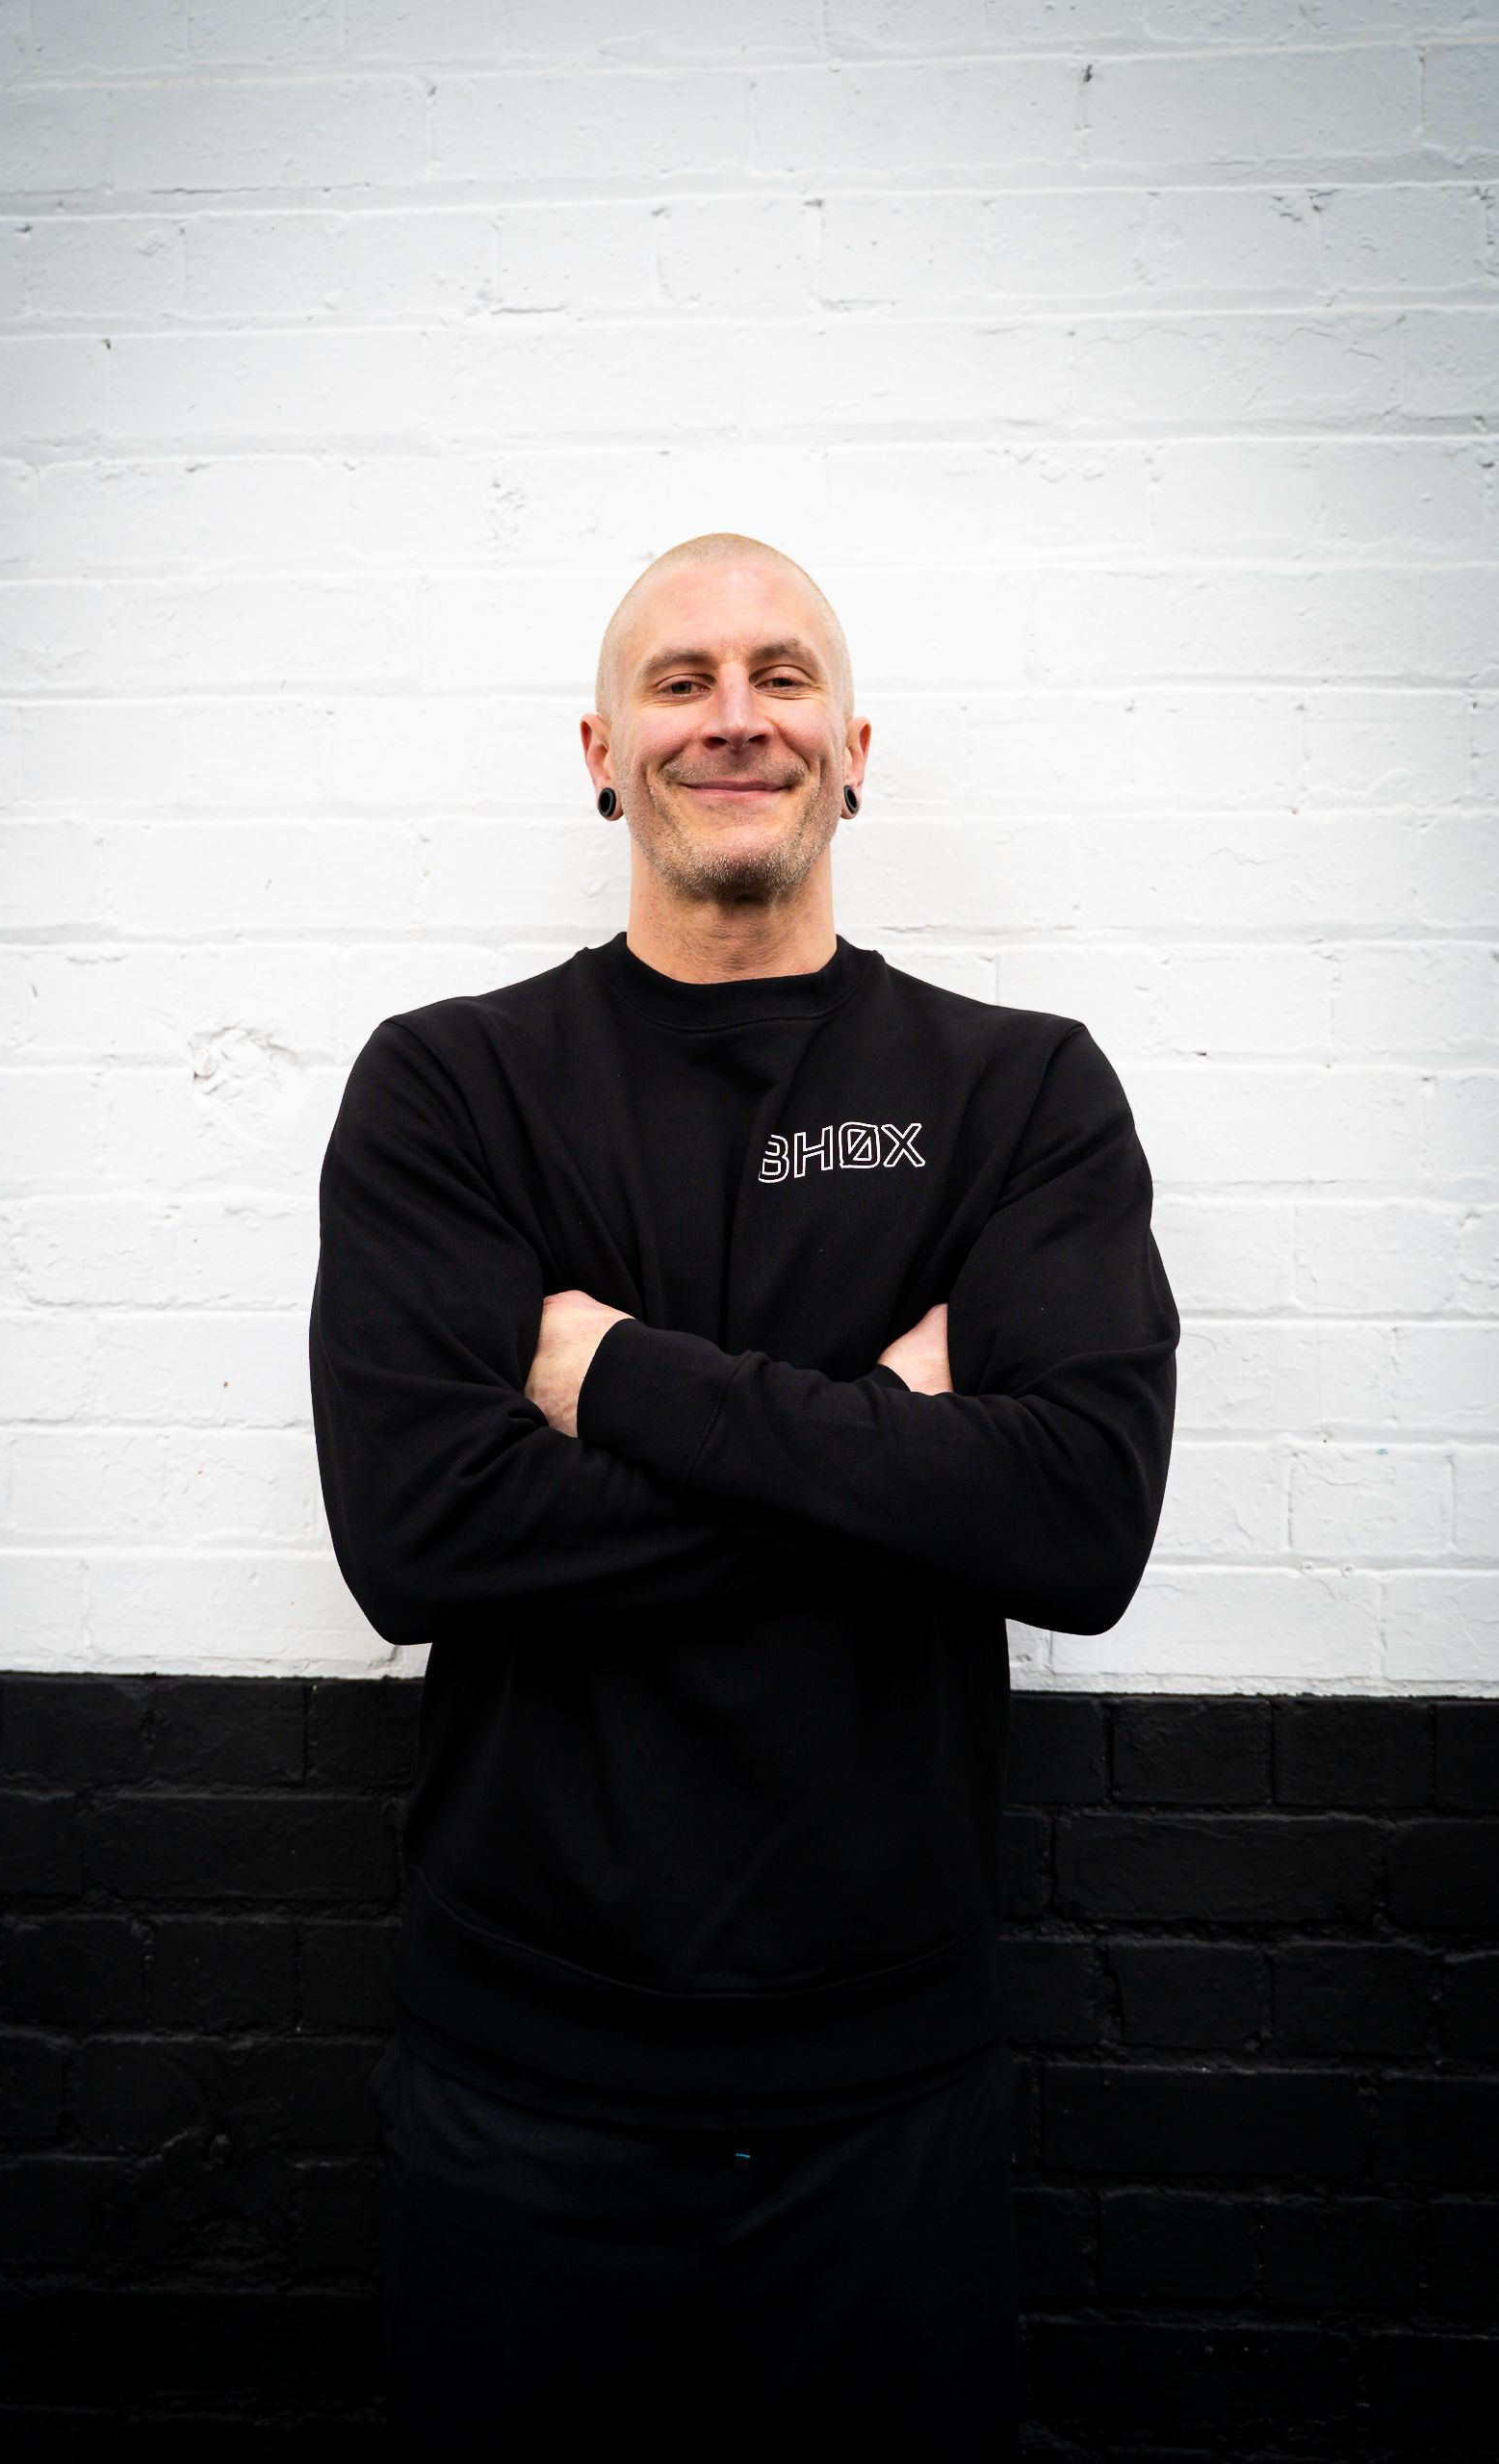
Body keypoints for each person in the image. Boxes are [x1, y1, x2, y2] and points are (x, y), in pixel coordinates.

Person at [308, 531, 1181, 2460]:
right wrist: (882, 1433)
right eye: (680, 679)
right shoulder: (451, 1092)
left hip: (886, 2094)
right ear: (600, 749)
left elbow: (1071, 1522)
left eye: (779, 675)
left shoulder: (1018, 1092)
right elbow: (419, 1536)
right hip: (519, 2083)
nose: (733, 715)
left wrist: (608, 1373)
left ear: (852, 744)